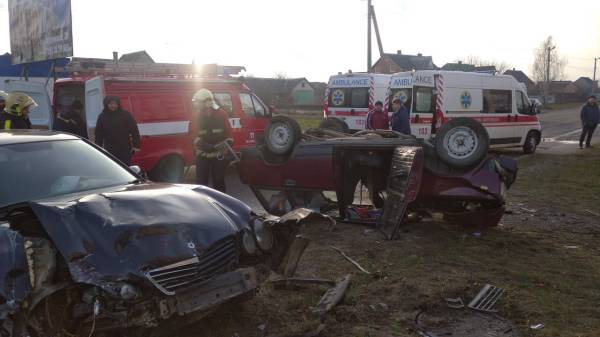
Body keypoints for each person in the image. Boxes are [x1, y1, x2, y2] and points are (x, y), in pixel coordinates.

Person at [193, 89, 232, 192]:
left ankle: (221, 204)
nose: (196, 104)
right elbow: (192, 135)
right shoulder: (196, 116)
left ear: (207, 102)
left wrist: (228, 144)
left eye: (199, 102)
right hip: (202, 155)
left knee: (219, 181)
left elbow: (229, 133)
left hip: (218, 156)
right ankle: (202, 205)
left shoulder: (222, 114)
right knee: (201, 184)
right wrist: (204, 145)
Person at [95, 96, 140, 165]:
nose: (113, 106)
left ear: (118, 104)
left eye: (115, 104)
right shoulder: (102, 116)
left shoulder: (126, 115)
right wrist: (98, 148)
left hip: (124, 149)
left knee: (125, 168)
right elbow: (98, 134)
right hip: (109, 149)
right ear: (106, 104)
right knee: (112, 167)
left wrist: (136, 146)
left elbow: (134, 130)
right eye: (111, 104)